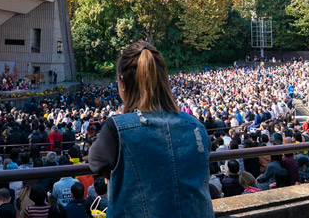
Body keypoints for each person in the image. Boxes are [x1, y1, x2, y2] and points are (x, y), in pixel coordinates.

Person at [88, 41, 214, 218]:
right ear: (164, 80)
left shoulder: (116, 129)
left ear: (122, 82)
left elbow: (96, 162)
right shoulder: (195, 126)